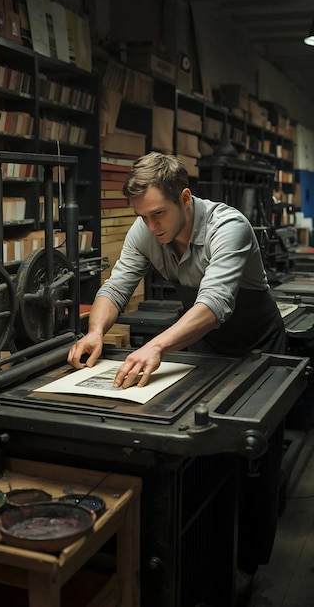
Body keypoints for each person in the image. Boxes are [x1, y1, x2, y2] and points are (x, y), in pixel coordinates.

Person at [67, 151, 287, 605]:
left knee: (254, 456)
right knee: (204, 451)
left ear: (185, 198)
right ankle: (203, 554)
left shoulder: (230, 228)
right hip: (207, 347)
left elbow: (215, 304)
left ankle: (250, 564)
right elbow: (115, 287)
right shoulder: (145, 228)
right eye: (143, 217)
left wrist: (155, 346)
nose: (151, 226)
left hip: (259, 348)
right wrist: (94, 330)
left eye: (158, 214)